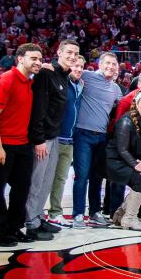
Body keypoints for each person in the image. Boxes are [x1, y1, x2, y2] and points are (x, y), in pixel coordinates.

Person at [0, 43, 43, 247]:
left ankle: (13, 228)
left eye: (40, 59)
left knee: (21, 189)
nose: (38, 62)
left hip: (23, 144)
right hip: (4, 144)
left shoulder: (29, 81)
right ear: (20, 58)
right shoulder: (6, 80)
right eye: (33, 58)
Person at [24, 39, 80, 240]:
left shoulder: (64, 76)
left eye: (76, 53)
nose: (73, 56)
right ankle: (30, 221)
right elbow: (38, 108)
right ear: (59, 52)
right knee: (37, 181)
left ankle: (39, 216)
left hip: (54, 136)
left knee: (47, 181)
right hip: (43, 138)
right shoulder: (47, 74)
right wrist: (38, 139)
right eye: (69, 52)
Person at [71, 52, 123, 229]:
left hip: (101, 137)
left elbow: (123, 109)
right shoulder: (87, 76)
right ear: (100, 64)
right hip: (82, 133)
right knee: (82, 176)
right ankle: (78, 214)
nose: (110, 66)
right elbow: (68, 72)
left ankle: (94, 212)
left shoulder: (116, 89)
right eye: (107, 63)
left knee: (97, 177)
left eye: (114, 64)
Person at [106, 91, 141, 230]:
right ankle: (129, 219)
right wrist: (138, 166)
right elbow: (122, 150)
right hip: (116, 161)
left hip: (133, 160)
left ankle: (120, 214)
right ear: (136, 105)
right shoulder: (126, 121)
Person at [46, 56, 84, 227]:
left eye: (81, 67)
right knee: (43, 179)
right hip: (52, 138)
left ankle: (55, 212)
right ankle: (33, 213)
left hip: (69, 141)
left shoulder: (81, 85)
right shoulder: (58, 79)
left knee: (60, 179)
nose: (78, 69)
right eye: (75, 65)